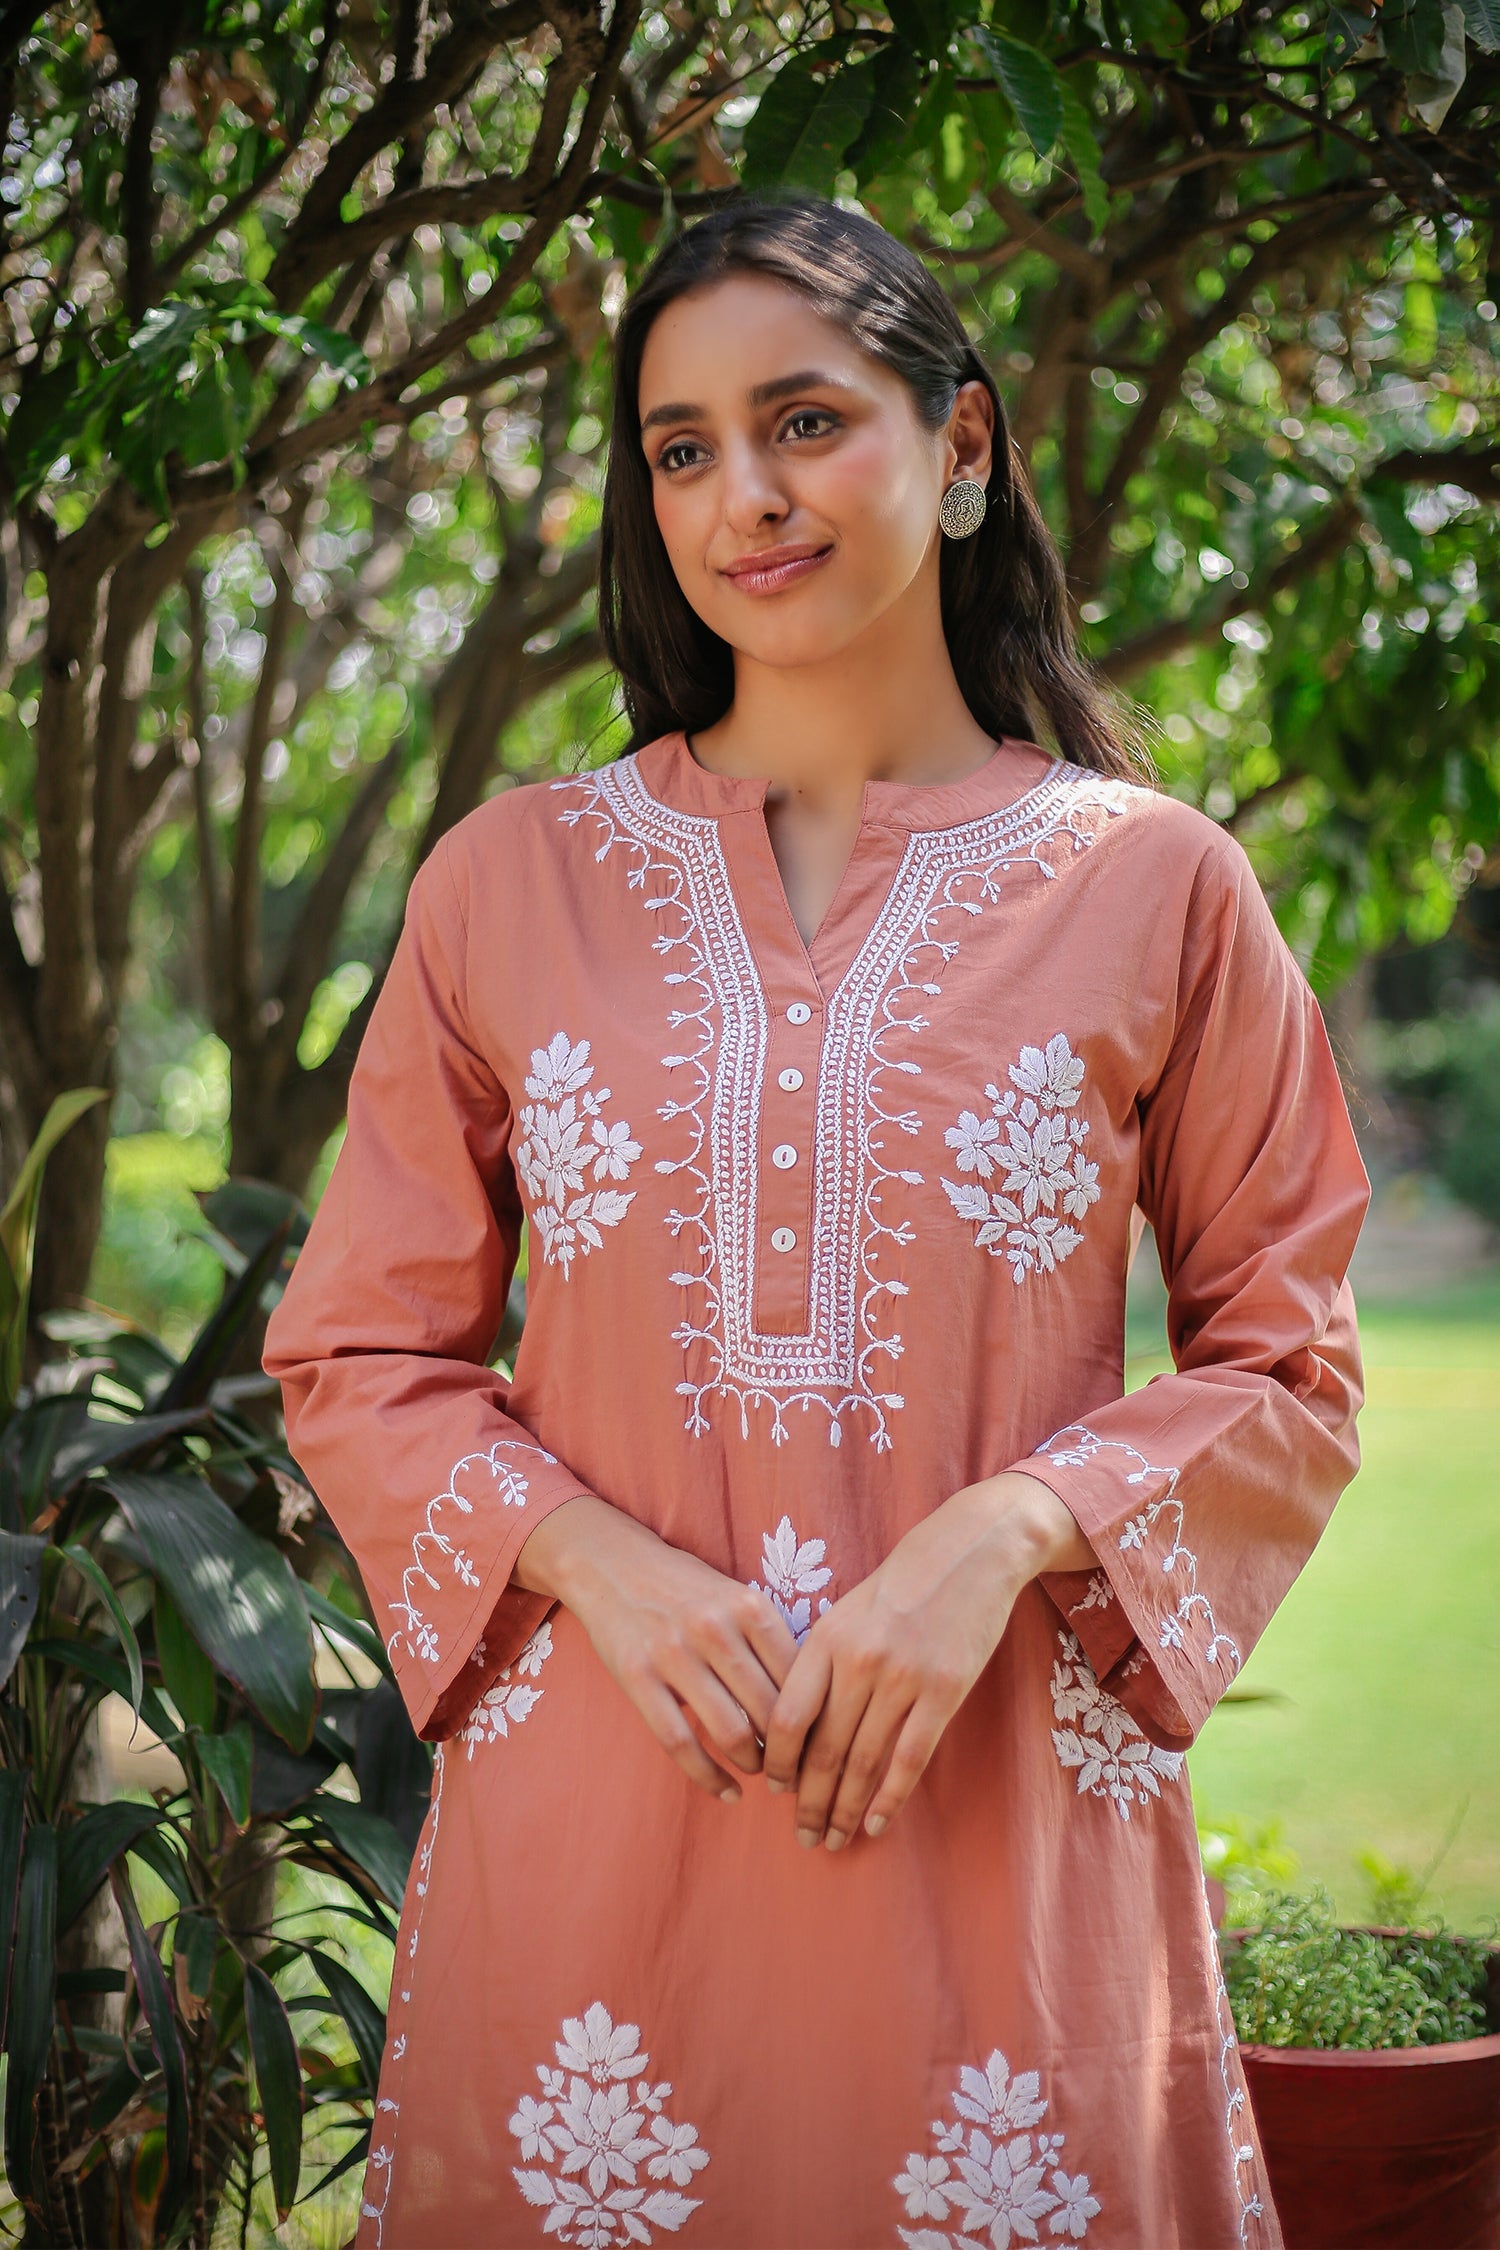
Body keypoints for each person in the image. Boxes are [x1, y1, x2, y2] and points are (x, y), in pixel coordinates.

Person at [261, 194, 1371, 2249]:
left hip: (1006, 1833)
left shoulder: (1157, 886)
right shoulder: (506, 887)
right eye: (682, 448)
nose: (741, 496)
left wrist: (1009, 1531)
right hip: (603, 1829)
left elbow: (1288, 1365)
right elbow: (358, 1355)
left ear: (961, 452)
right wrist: (595, 1564)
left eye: (803, 421)